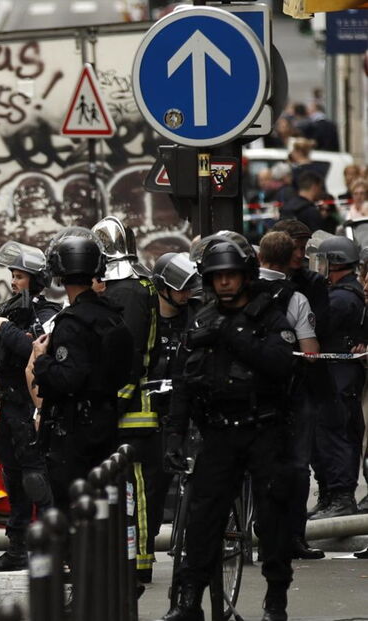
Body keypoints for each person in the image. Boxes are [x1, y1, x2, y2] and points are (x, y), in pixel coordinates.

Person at [161, 236, 295, 621]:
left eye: (231, 275)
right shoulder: (202, 320)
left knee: (273, 518)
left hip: (263, 431)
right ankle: (188, 601)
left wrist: (232, 335)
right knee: (202, 521)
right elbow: (183, 383)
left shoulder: (267, 315)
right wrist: (175, 434)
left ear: (245, 276)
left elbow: (281, 364)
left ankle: (275, 600)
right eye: (217, 276)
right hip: (218, 434)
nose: (224, 282)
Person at [0, 241, 59, 572]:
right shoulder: (9, 311)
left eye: (20, 276)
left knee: (36, 477)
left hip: (30, 405)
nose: (13, 281)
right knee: (11, 473)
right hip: (9, 405)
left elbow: (31, 350)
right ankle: (17, 548)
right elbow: (1, 361)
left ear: (36, 280)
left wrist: (4, 328)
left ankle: (52, 549)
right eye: (12, 275)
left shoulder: (47, 314)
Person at [30, 233, 133, 512]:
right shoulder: (111, 315)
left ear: (60, 275)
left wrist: (42, 359)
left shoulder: (71, 322)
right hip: (106, 424)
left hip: (74, 433)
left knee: (70, 510)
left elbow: (67, 378)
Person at [91, 215, 162, 584]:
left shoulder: (129, 291)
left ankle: (140, 562)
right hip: (122, 405)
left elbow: (129, 355)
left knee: (137, 490)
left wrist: (112, 402)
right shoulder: (132, 286)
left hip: (134, 410)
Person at [257, 231, 324, 558]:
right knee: (297, 465)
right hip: (287, 393)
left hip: (244, 392)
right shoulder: (296, 299)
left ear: (259, 257)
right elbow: (310, 353)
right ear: (289, 262)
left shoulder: (240, 291)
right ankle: (293, 537)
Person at [309, 236, 366, 520]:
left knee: (336, 434)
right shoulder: (343, 293)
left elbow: (315, 325)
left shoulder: (341, 298)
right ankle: (330, 495)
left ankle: (341, 497)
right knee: (326, 435)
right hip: (334, 374)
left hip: (338, 375)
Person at [148, 252, 199, 569]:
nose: (186, 293)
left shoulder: (195, 318)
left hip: (187, 411)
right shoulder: (146, 319)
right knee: (153, 485)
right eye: (180, 287)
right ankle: (147, 543)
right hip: (152, 413)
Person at [279, 170, 326, 234]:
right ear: (314, 187)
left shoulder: (286, 208)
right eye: (320, 188)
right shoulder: (311, 211)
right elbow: (318, 237)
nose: (321, 191)